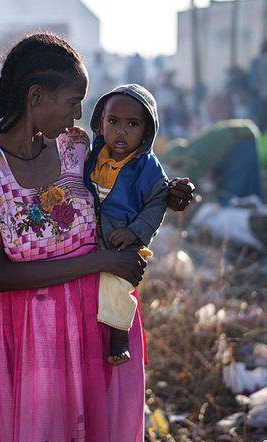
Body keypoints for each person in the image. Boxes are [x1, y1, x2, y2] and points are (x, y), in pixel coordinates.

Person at [0, 33, 194, 442]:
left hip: (96, 323)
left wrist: (167, 195)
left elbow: (130, 180)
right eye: (73, 100)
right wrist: (102, 263)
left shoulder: (77, 147)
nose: (81, 113)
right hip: (32, 336)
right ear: (36, 96)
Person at [84, 84, 167, 366]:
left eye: (133, 124)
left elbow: (157, 203)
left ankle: (119, 336)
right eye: (113, 122)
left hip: (122, 240)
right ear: (100, 122)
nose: (121, 131)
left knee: (117, 285)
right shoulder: (91, 154)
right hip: (88, 232)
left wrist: (134, 233)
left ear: (147, 131)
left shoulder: (148, 167)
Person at [161, 119, 261, 205]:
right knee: (251, 185)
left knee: (232, 194)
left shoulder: (192, 155)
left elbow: (191, 181)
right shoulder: (196, 143)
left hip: (239, 142)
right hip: (246, 135)